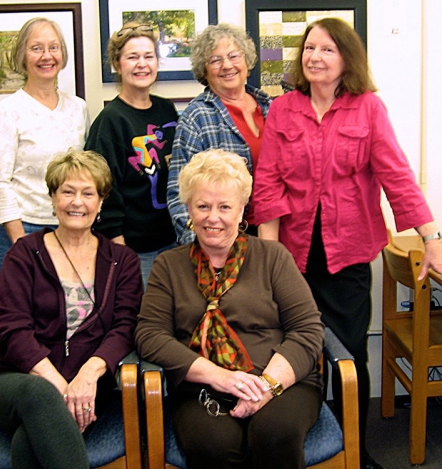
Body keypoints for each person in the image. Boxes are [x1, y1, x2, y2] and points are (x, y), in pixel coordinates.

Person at [251, 17, 442, 469]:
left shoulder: (368, 108)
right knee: (294, 349)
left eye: (328, 49)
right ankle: (305, 441)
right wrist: (269, 258)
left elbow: (396, 176)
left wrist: (432, 240)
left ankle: (355, 446)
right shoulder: (283, 110)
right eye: (310, 48)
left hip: (347, 252)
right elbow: (268, 184)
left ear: (347, 58)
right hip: (291, 256)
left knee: (348, 355)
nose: (315, 56)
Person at [136, 149, 324, 469]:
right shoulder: (169, 265)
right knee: (213, 445)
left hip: (280, 379)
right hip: (202, 385)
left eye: (224, 207)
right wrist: (219, 377)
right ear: (188, 211)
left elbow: (308, 329)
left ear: (241, 211)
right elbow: (149, 334)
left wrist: (267, 384)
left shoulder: (273, 257)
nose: (213, 217)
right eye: (203, 206)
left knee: (273, 434)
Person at [0, 150, 143, 469]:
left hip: (90, 384)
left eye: (87, 193)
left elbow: (125, 327)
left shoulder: (122, 261)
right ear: (53, 198)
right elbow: (10, 328)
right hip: (15, 381)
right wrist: (59, 386)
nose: (76, 202)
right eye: (67, 191)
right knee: (41, 397)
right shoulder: (24, 254)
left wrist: (89, 374)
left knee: (32, 439)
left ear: (101, 202)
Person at [0, 17, 90, 271]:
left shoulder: (78, 108)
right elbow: (0, 182)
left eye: (53, 47)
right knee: (24, 305)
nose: (47, 56)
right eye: (36, 48)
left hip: (70, 224)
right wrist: (20, 241)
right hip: (23, 226)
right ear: (23, 56)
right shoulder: (8, 110)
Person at [85, 22, 178, 287]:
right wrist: (120, 251)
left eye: (149, 56)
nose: (142, 64)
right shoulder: (110, 121)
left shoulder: (167, 110)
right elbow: (102, 192)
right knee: (139, 320)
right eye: (132, 57)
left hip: (173, 242)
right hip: (134, 250)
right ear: (117, 64)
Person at [166, 23, 272, 244]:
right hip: (223, 238)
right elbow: (179, 192)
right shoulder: (196, 117)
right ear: (204, 70)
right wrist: (200, 247)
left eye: (234, 56)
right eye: (215, 60)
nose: (227, 65)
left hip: (273, 233)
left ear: (246, 60)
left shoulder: (272, 108)